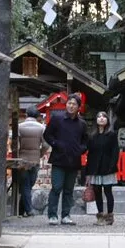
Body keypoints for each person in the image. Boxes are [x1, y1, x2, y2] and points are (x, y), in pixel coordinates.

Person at [43, 94, 88, 226]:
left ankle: (66, 215)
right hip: (58, 159)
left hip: (73, 160)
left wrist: (82, 149)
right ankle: (52, 215)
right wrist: (56, 144)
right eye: (69, 103)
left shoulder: (82, 124)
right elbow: (47, 134)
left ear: (78, 107)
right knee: (56, 187)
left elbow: (85, 140)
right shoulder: (57, 119)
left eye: (74, 104)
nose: (71, 106)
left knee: (69, 189)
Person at [84, 111, 120, 225]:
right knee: (97, 192)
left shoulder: (112, 135)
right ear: (96, 120)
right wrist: (88, 171)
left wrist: (113, 165)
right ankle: (100, 215)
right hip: (95, 167)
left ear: (107, 120)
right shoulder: (92, 136)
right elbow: (89, 154)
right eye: (99, 116)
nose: (101, 118)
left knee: (108, 192)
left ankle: (110, 216)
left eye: (104, 116)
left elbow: (115, 151)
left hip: (108, 166)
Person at [16, 111, 47, 217]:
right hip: (35, 160)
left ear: (26, 115)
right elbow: (46, 145)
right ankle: (28, 210)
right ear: (37, 116)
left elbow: (15, 143)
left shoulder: (19, 127)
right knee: (29, 185)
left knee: (25, 185)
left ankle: (21, 211)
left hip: (22, 159)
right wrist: (40, 154)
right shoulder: (42, 128)